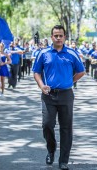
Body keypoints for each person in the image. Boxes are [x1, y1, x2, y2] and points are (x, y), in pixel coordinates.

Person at [32, 25, 85, 170]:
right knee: (47, 125)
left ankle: (63, 161)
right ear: (51, 37)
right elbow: (36, 72)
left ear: (65, 37)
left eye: (61, 35)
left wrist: (69, 81)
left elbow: (81, 71)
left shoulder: (72, 53)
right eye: (55, 35)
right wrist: (42, 85)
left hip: (66, 94)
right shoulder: (43, 53)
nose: (58, 38)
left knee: (66, 128)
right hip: (48, 94)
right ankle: (51, 149)